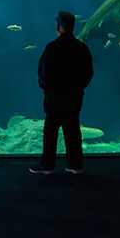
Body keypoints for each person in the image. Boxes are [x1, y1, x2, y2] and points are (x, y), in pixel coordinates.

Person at [30, 11, 93, 175]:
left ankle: (48, 165)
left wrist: (47, 87)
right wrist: (79, 87)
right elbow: (88, 72)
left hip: (54, 97)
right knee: (73, 129)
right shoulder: (82, 48)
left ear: (58, 27)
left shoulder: (52, 47)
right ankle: (76, 165)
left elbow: (42, 73)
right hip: (74, 97)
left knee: (51, 130)